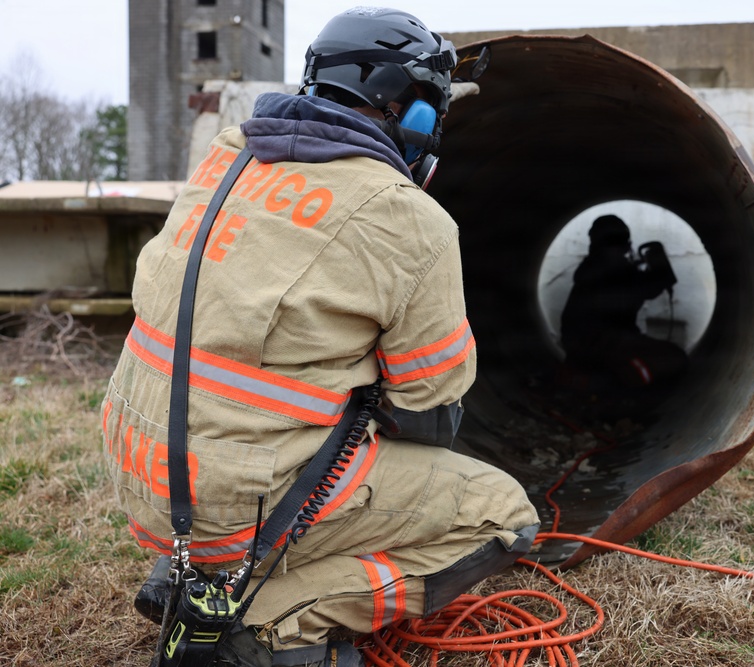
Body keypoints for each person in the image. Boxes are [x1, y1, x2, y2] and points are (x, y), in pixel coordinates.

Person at [101, 7, 539, 666]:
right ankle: (267, 623)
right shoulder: (409, 217)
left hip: (137, 467)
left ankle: (187, 575)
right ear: (414, 113)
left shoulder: (227, 156)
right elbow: (430, 409)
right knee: (502, 514)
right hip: (233, 501)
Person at [559, 214, 686, 391]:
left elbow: (639, 285)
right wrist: (659, 268)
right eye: (618, 242)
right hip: (598, 346)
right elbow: (647, 287)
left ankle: (600, 378)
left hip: (593, 346)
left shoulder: (594, 268)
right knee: (674, 359)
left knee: (669, 357)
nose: (625, 248)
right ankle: (607, 383)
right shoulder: (609, 272)